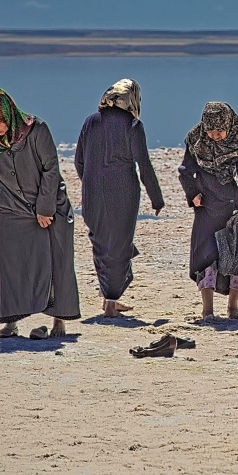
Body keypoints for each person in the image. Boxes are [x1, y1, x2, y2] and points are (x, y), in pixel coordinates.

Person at [0, 88, 81, 339]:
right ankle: (11, 323)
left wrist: (44, 209)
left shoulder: (37, 130)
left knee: (57, 260)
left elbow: (50, 169)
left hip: (50, 206)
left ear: (9, 114)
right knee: (12, 265)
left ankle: (59, 320)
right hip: (9, 209)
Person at [74, 79, 165, 317]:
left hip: (92, 193)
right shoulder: (133, 125)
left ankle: (108, 299)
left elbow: (79, 161)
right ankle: (112, 303)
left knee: (101, 243)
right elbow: (143, 164)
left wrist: (91, 183)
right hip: (123, 193)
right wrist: (156, 198)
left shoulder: (90, 121)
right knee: (120, 244)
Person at [178, 101, 238, 320]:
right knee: (207, 258)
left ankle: (233, 308)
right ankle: (207, 311)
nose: (215, 136)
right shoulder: (197, 140)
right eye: (210, 131)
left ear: (229, 123)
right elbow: (185, 172)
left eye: (219, 130)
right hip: (210, 207)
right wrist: (192, 194)